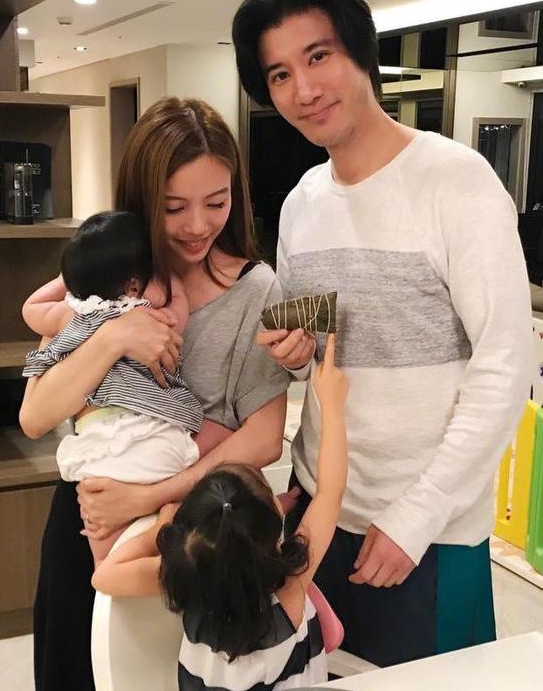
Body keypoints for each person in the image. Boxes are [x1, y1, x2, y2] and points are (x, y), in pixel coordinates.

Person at [232, 0, 533, 667]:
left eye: (318, 56)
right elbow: (322, 340)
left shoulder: (457, 182)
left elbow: (504, 365)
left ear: (361, 51)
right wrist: (292, 347)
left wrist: (416, 516)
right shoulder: (303, 203)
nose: (304, 90)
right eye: (280, 74)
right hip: (318, 510)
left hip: (425, 531)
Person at [19, 97, 290, 691]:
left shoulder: (256, 289)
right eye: (173, 207)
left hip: (193, 531)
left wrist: (148, 494)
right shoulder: (108, 260)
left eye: (216, 202)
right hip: (90, 513)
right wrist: (115, 336)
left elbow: (266, 437)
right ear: (144, 200)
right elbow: (36, 415)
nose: (197, 225)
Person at [92, 335, 348, 691]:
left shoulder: (187, 577)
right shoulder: (290, 589)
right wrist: (331, 405)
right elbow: (331, 493)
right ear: (274, 528)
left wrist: (161, 532)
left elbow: (103, 577)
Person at [22, 210, 230, 564]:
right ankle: (158, 534)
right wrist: (171, 278)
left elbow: (31, 308)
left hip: (99, 451)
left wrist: (71, 275)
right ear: (135, 283)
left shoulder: (73, 313)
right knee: (222, 436)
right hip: (158, 439)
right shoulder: (154, 314)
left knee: (104, 547)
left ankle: (110, 569)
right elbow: (180, 308)